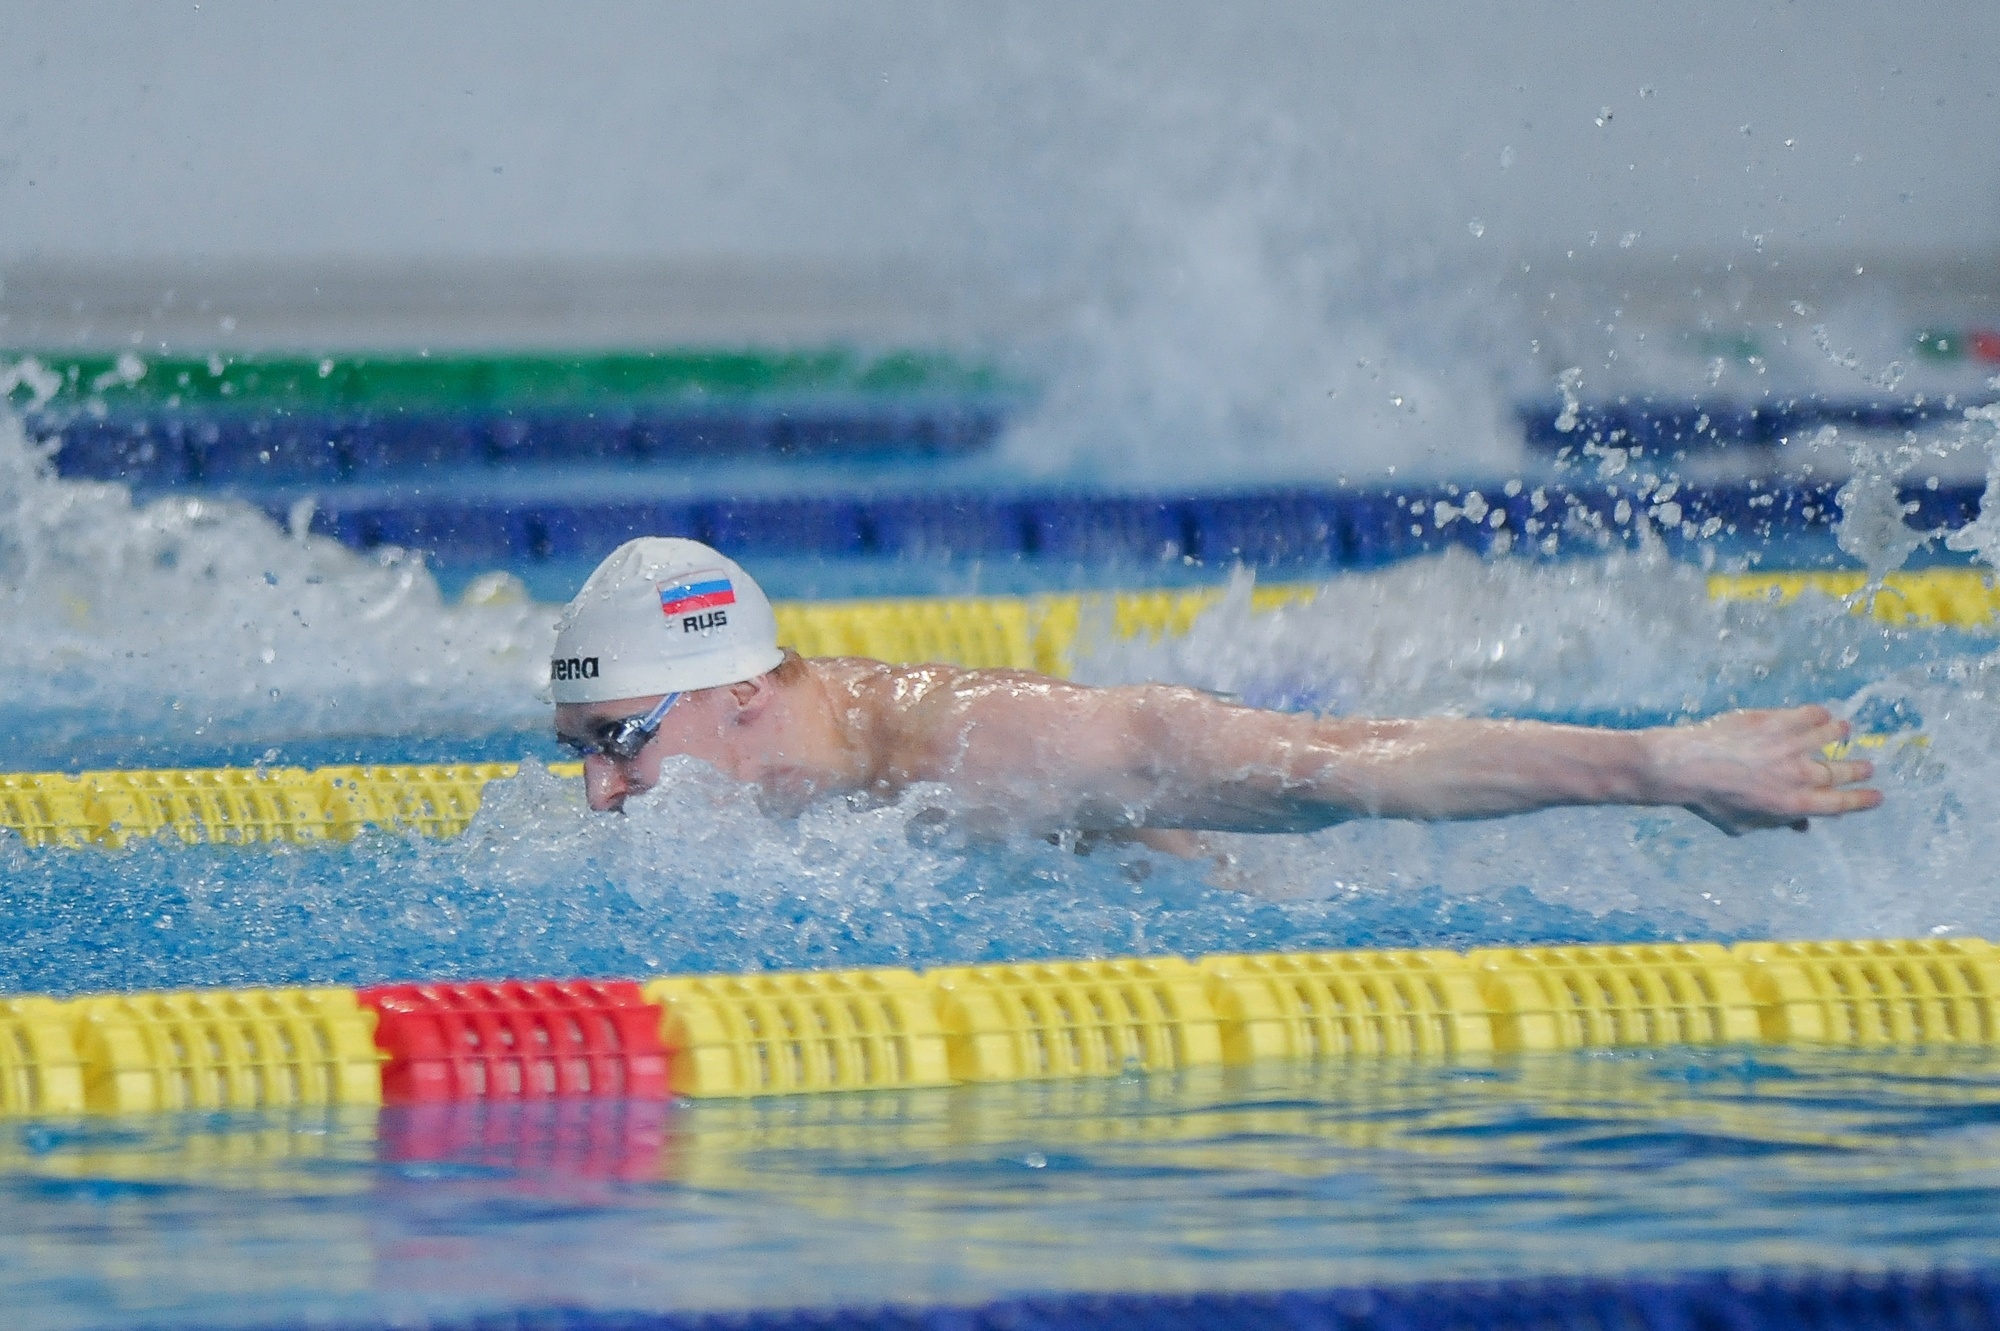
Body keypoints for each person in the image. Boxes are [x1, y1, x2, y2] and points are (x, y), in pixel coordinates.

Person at [550, 537, 1882, 840]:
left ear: (736, 693)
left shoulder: (989, 745)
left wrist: (1657, 767)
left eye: (617, 743)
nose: (598, 791)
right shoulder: (781, 762)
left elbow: (1347, 769)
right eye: (583, 750)